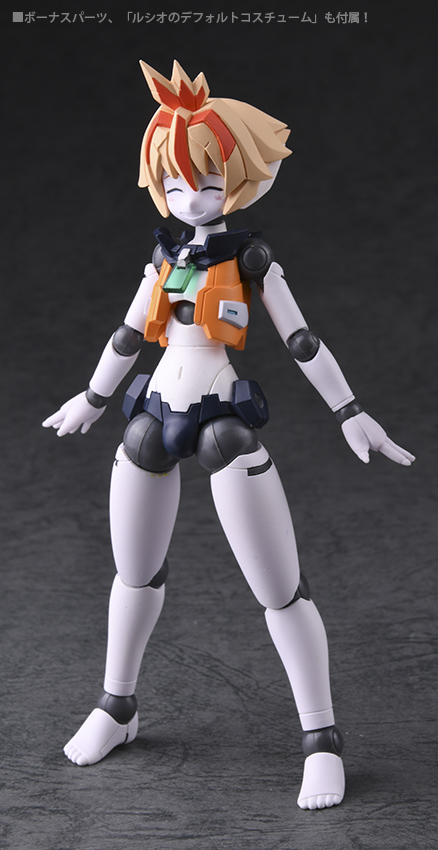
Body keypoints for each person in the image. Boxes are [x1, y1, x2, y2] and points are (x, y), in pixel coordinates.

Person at [43, 60, 414, 809]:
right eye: (175, 183)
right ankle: (117, 704)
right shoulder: (164, 256)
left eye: (207, 182)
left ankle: (321, 739)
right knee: (133, 576)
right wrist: (92, 397)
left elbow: (302, 340)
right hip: (152, 417)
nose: (190, 197)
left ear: (238, 180)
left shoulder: (249, 259)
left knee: (281, 592)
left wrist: (349, 411)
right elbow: (127, 334)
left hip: (224, 425)